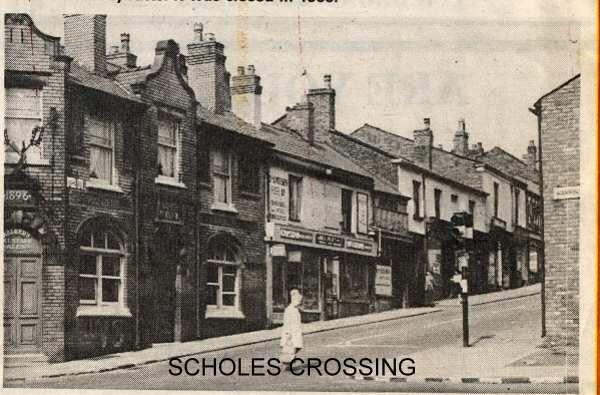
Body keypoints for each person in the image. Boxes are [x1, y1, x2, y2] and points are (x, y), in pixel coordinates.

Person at [280, 289, 303, 371]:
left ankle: (288, 363)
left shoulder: (296, 309)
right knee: (290, 348)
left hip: (296, 332)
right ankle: (286, 364)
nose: (300, 302)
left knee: (297, 347)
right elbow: (286, 322)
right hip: (291, 332)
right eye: (299, 301)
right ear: (294, 300)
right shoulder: (289, 310)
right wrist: (287, 334)